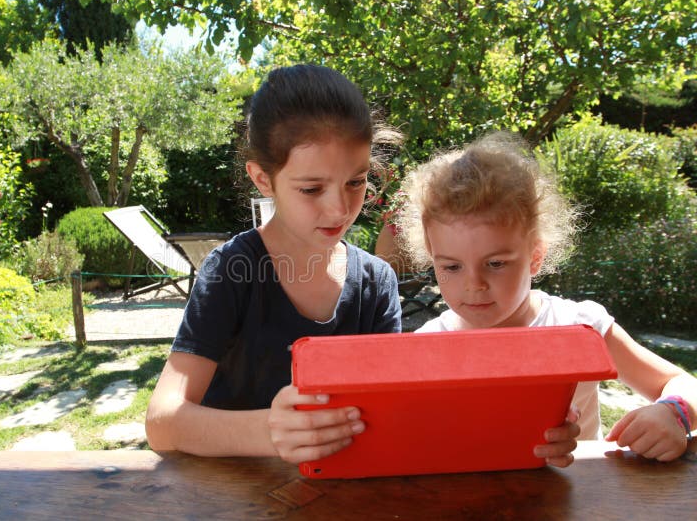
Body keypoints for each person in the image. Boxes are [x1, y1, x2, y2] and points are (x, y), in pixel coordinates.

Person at [145, 64, 403, 464]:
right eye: (312, 188)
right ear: (263, 179)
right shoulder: (231, 270)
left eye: (356, 181)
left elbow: (393, 409)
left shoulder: (376, 282)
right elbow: (162, 422)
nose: (340, 208)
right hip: (235, 496)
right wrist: (270, 431)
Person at [397, 132, 697, 463]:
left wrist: (673, 413)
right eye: (452, 266)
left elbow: (679, 381)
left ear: (535, 255)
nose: (474, 284)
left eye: (496, 264)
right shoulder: (425, 349)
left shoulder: (580, 328)